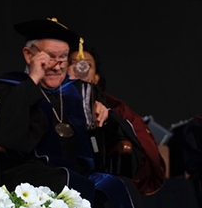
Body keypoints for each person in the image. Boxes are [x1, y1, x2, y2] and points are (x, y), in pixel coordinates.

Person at [0, 17, 151, 208]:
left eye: (64, 58)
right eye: (50, 57)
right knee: (69, 182)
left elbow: (104, 140)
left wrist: (106, 117)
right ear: (29, 55)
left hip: (81, 174)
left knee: (118, 186)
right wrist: (33, 80)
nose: (58, 65)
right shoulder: (6, 89)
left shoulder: (80, 92)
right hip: (26, 177)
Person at [68, 44, 167, 195]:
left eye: (87, 64)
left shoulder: (114, 108)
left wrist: (106, 116)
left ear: (96, 78)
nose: (80, 68)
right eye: (73, 63)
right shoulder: (53, 100)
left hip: (98, 172)